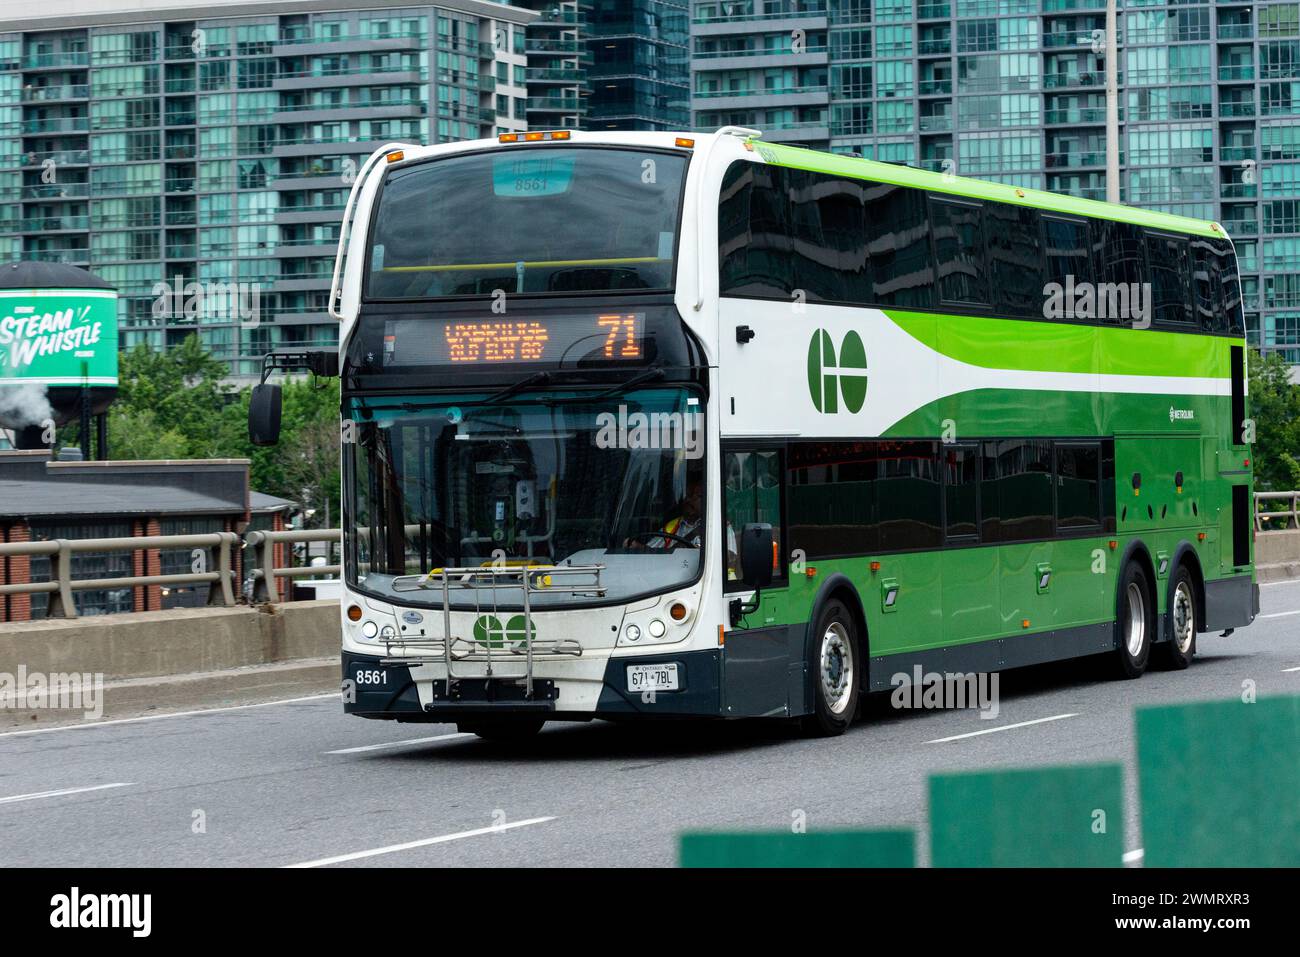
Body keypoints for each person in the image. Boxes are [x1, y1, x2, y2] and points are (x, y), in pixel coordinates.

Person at [632, 474, 703, 550]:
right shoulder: (672, 526)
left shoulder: (713, 527)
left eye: (698, 496)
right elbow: (652, 554)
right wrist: (637, 546)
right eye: (688, 495)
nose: (689, 500)